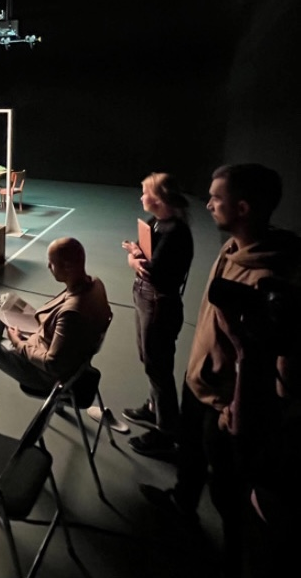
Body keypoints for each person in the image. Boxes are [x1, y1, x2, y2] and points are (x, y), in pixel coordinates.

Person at [140, 164, 301, 577]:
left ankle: (232, 561)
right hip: (199, 381)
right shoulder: (232, 248)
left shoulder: (269, 277)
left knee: (228, 494)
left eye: (216, 197)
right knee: (190, 457)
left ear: (242, 207)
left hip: (225, 403)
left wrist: (235, 406)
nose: (208, 204)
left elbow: (280, 366)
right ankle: (182, 501)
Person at [0, 237, 112, 429]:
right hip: (62, 346)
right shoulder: (95, 284)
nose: (48, 266)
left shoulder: (72, 313)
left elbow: (52, 364)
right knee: (4, 300)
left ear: (68, 267)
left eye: (52, 263)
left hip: (45, 374)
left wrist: (18, 342)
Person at [121, 172, 194, 457]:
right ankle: (154, 409)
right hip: (145, 298)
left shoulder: (176, 232)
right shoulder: (156, 222)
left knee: (158, 366)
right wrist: (134, 254)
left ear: (159, 198)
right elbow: (145, 254)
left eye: (145, 192)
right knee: (148, 358)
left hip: (159, 303)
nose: (141, 197)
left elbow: (154, 270)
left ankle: (167, 431)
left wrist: (135, 260)